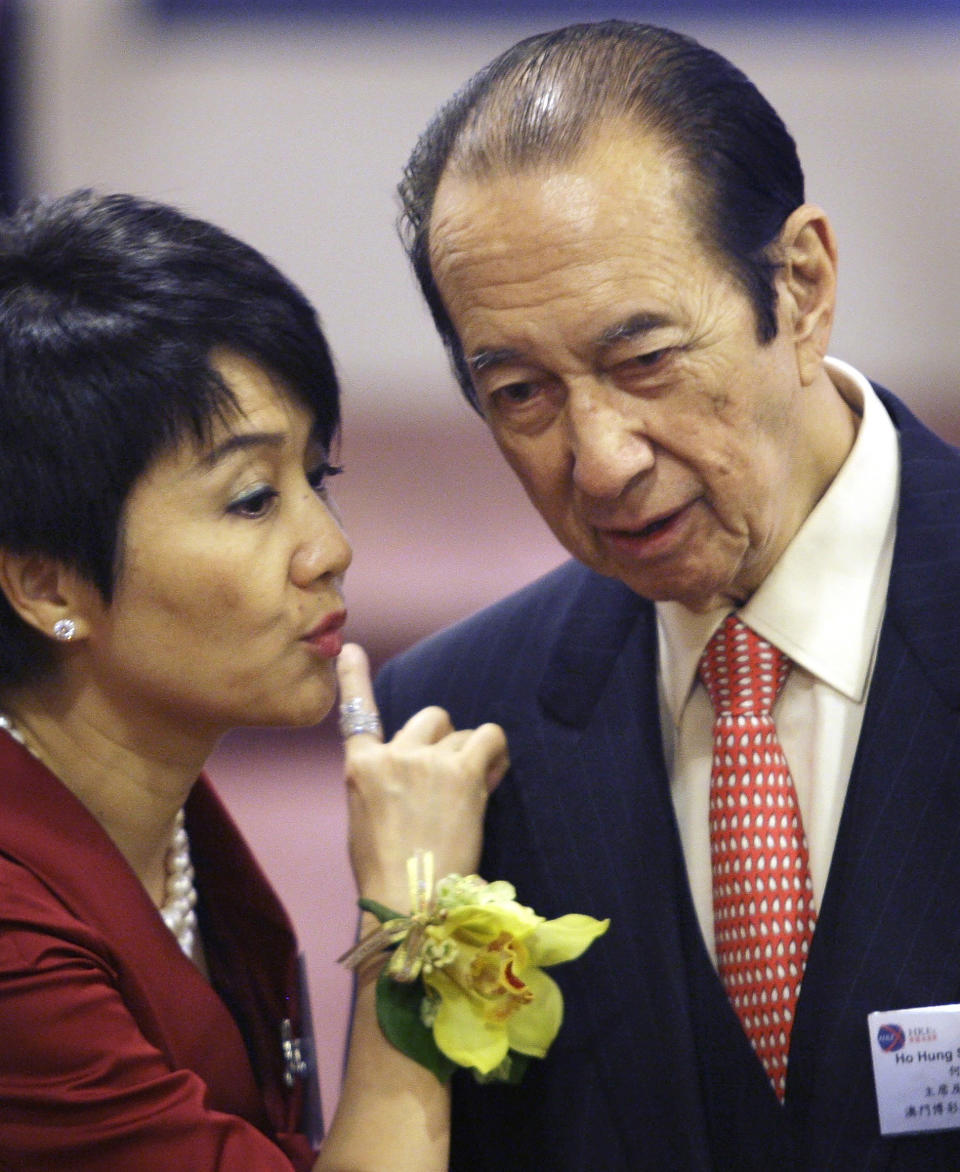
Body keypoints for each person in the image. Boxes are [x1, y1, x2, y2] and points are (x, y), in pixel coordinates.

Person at [375, 19, 960, 1171]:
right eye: (522, 393)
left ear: (799, 287)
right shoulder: (460, 721)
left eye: (645, 361)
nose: (601, 460)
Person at [0, 188, 508, 1171]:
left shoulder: (169, 817)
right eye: (249, 499)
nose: (330, 548)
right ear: (44, 580)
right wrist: (420, 911)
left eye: (317, 479)